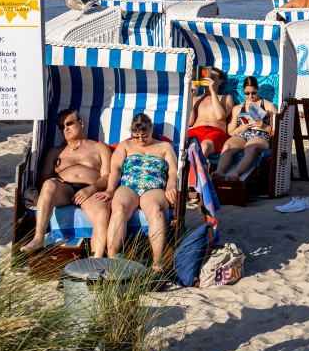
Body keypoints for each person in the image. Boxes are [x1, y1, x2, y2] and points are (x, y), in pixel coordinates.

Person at [20, 109, 114, 256]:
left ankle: (96, 260)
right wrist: (50, 180)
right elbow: (42, 179)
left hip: (91, 190)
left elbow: (108, 176)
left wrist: (92, 189)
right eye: (61, 126)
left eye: (69, 123)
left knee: (102, 214)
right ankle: (38, 238)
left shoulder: (99, 148)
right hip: (64, 190)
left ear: (81, 123)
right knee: (49, 184)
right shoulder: (55, 151)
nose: (66, 128)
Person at [96, 113, 179, 271]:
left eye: (145, 135)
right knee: (119, 209)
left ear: (151, 129)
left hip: (154, 187)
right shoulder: (125, 145)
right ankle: (112, 259)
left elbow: (173, 172)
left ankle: (157, 262)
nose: (141, 140)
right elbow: (116, 169)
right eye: (136, 136)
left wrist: (171, 186)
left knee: (156, 210)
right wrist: (110, 189)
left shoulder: (164, 146)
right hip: (129, 186)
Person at [214, 77, 278, 182]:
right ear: (243, 91)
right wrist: (241, 128)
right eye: (247, 93)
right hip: (242, 134)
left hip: (261, 135)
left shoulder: (268, 106)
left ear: (258, 89)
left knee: (250, 148)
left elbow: (277, 130)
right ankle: (219, 172)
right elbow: (230, 132)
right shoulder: (238, 108)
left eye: (253, 92)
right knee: (228, 146)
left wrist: (264, 126)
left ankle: (235, 173)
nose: (251, 96)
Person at [187, 67, 232, 158]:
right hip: (196, 130)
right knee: (192, 147)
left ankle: (196, 172)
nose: (209, 80)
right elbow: (190, 122)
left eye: (213, 77)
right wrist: (191, 95)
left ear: (220, 82)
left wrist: (213, 92)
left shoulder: (226, 97)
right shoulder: (196, 99)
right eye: (207, 77)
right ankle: (195, 172)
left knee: (205, 146)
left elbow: (219, 116)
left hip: (215, 132)